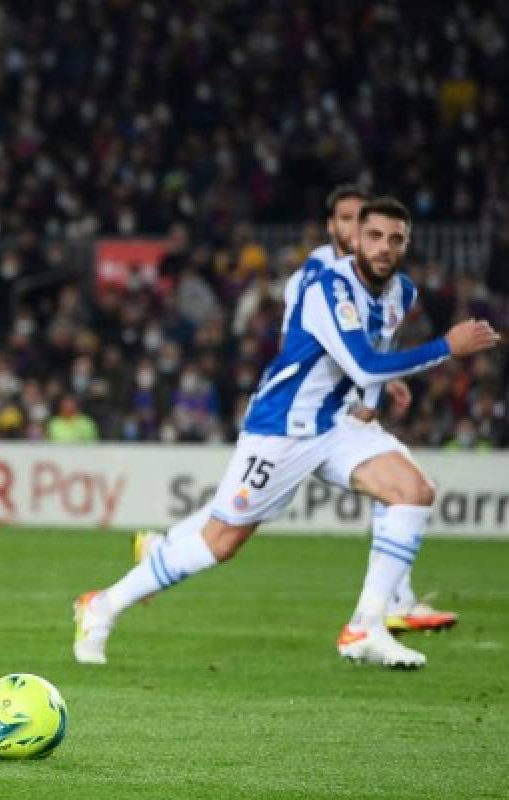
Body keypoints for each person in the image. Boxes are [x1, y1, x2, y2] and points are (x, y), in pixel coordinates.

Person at [73, 198, 500, 669]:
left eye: (395, 239)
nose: (383, 247)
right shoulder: (326, 288)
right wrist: (446, 347)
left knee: (413, 491)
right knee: (220, 542)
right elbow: (363, 361)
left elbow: (365, 359)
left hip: (335, 422)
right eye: (373, 236)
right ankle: (104, 605)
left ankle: (366, 626)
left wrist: (379, 390)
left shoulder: (402, 293)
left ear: (406, 244)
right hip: (283, 427)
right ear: (355, 239)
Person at [134, 184, 458, 634]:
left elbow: (374, 343)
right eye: (346, 219)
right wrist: (371, 383)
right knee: (235, 520)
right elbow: (321, 348)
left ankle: (387, 607)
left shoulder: (385, 282)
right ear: (334, 227)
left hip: (338, 406)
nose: (358, 230)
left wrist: (380, 388)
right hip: (297, 409)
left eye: (363, 221)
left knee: (404, 487)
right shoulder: (319, 275)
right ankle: (160, 553)